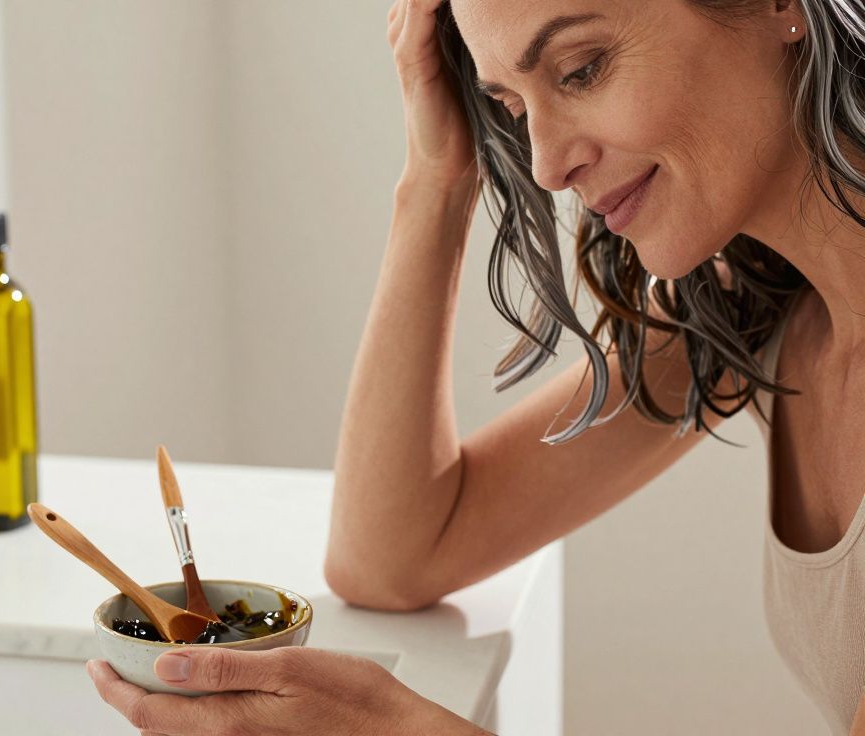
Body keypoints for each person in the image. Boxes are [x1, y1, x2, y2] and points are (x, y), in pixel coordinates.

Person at [89, 0, 865, 733]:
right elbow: (392, 556)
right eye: (512, 106)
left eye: (582, 68)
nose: (547, 164)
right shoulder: (770, 310)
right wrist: (437, 176)